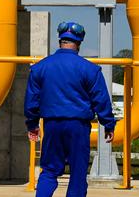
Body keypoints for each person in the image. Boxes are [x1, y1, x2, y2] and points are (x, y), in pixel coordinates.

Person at [24, 21, 116, 197]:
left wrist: (32, 124)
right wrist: (108, 124)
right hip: (78, 127)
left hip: (51, 125)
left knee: (49, 171)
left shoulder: (40, 68)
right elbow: (101, 99)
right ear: (79, 42)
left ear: (60, 40)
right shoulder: (90, 69)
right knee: (77, 174)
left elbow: (31, 100)